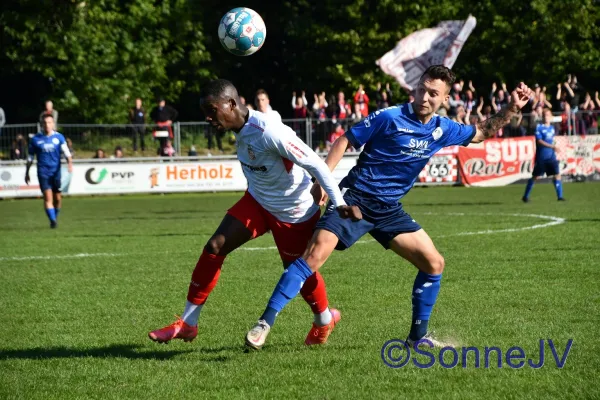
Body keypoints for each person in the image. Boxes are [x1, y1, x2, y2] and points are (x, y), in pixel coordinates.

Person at [244, 65, 533, 350]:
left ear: (445, 99)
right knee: (314, 256)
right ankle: (264, 323)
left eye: (433, 93)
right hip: (355, 197)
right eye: (421, 89)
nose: (424, 97)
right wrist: (324, 180)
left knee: (434, 264)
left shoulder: (443, 128)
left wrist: (511, 107)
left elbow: (480, 132)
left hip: (388, 208)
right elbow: (346, 138)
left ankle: (417, 339)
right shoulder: (390, 117)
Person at [148, 79, 360, 345]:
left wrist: (338, 203)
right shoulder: (239, 128)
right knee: (215, 246)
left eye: (212, 111)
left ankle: (324, 320)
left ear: (232, 104)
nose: (208, 118)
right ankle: (188, 323)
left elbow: (316, 164)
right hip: (258, 202)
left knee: (298, 272)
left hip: (293, 211)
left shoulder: (269, 131)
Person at [25, 114, 73, 228]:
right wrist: (27, 172)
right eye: (45, 123)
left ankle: (54, 217)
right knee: (48, 197)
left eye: (49, 122)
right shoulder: (35, 139)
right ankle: (53, 221)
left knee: (58, 198)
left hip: (56, 172)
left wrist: (70, 164)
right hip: (43, 172)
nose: (47, 125)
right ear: (42, 124)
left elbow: (66, 153)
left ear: (53, 124)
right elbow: (30, 157)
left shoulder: (59, 137)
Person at [522, 108, 565, 202]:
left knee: (557, 175)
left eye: (548, 115)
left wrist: (553, 148)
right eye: (545, 115)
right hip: (542, 157)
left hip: (551, 156)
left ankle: (560, 197)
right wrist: (552, 146)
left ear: (551, 117)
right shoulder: (539, 127)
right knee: (536, 177)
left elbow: (551, 140)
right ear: (542, 117)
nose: (546, 117)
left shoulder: (552, 128)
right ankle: (525, 196)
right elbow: (539, 141)